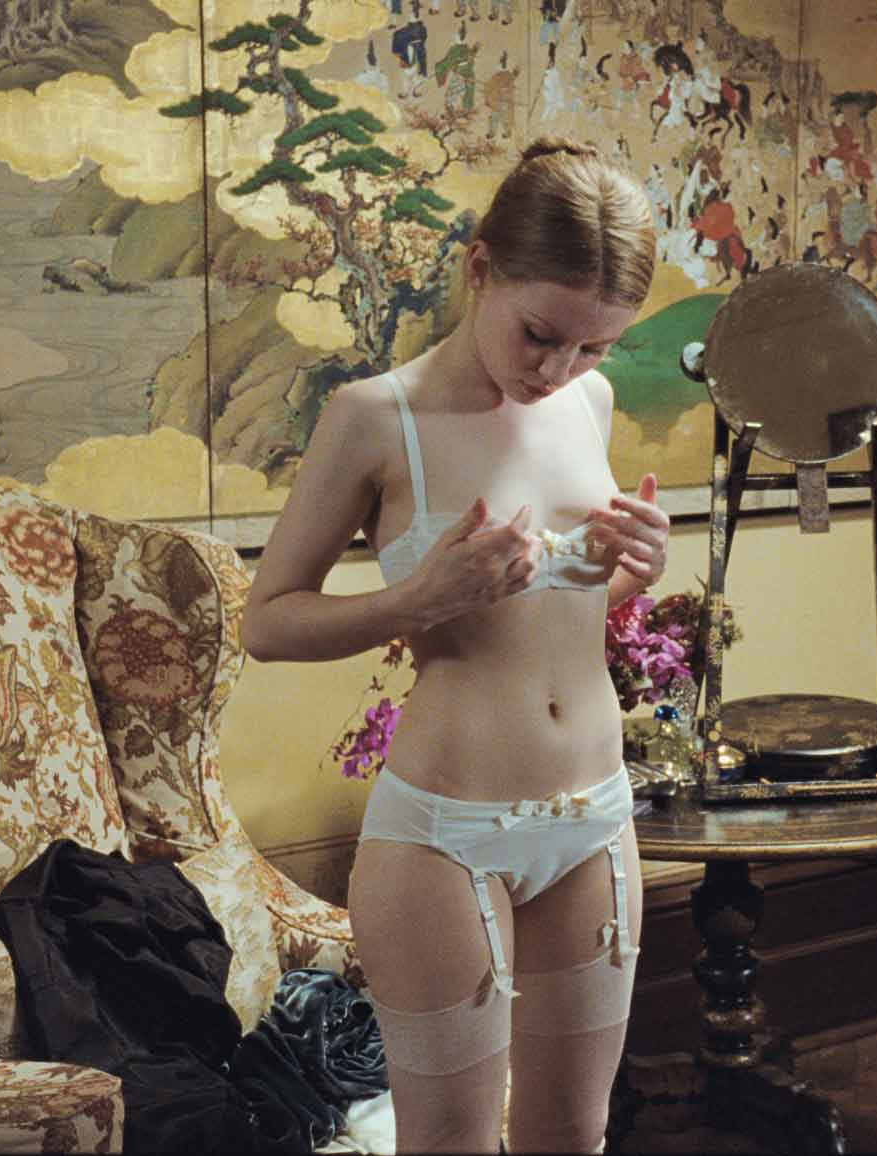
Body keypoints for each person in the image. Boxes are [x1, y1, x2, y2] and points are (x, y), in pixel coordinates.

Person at [240, 138, 668, 1154]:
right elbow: (266, 621)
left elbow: (556, 618)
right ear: (480, 268)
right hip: (444, 836)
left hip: (595, 816)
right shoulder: (373, 418)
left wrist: (633, 570)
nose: (557, 370)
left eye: (593, 347)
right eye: (539, 334)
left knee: (575, 1134)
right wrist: (418, 598)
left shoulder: (589, 403)